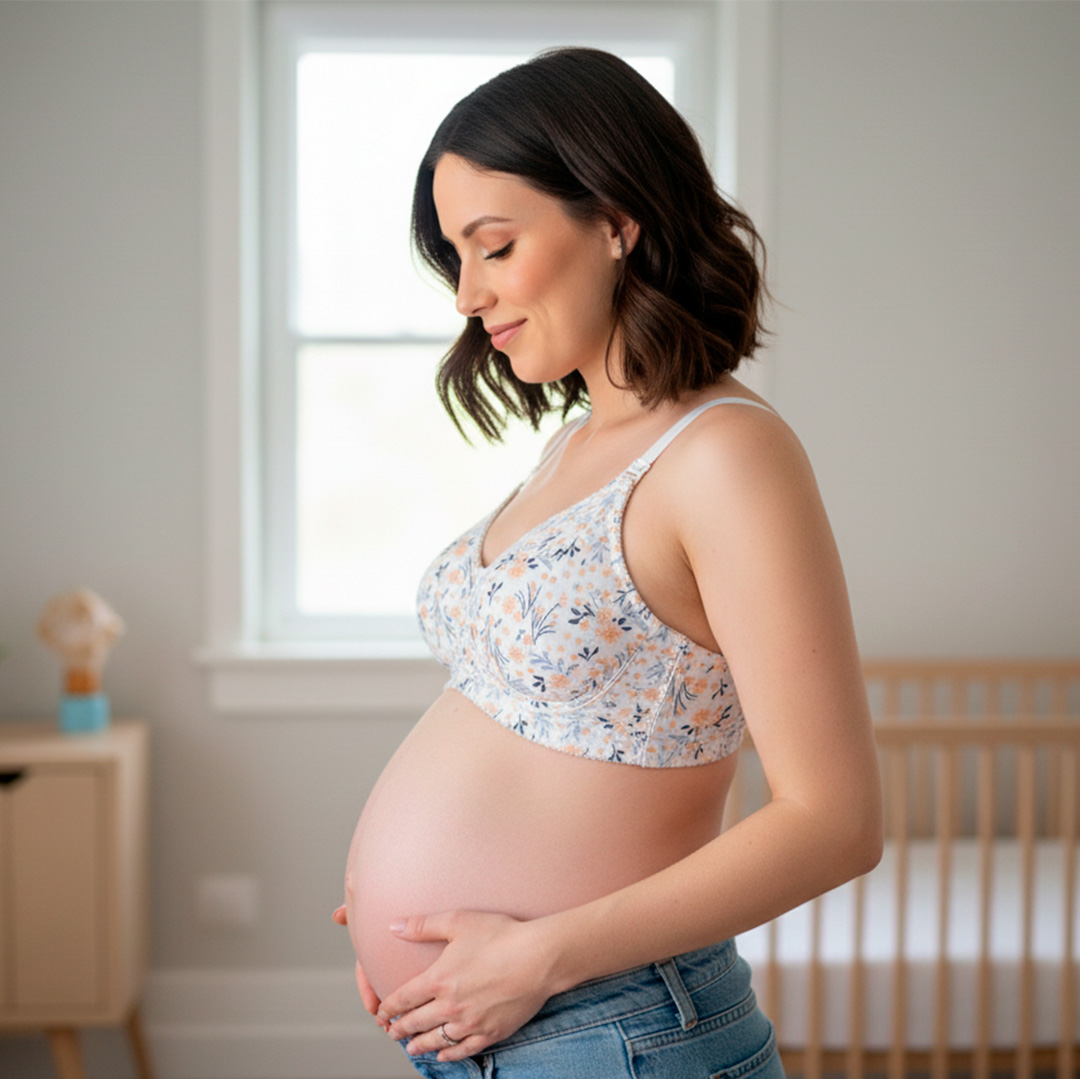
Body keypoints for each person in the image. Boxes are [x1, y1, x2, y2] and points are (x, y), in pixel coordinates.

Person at [332, 46, 883, 1078]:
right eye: (454, 256)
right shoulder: (579, 442)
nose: (466, 293)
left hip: (613, 1026)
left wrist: (536, 951)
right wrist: (396, 907)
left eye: (493, 247)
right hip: (502, 1025)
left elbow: (836, 822)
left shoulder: (725, 454)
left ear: (618, 219)